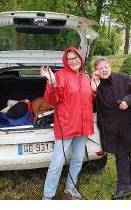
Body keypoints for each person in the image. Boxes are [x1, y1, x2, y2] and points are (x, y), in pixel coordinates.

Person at [40, 46, 94, 200]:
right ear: (65, 61)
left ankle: (71, 187)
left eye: (75, 57)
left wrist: (94, 91)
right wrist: (51, 82)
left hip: (83, 125)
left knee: (77, 159)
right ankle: (48, 196)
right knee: (58, 162)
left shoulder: (85, 77)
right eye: (69, 59)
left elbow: (87, 100)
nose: (73, 61)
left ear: (80, 59)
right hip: (67, 125)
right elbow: (52, 100)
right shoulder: (60, 76)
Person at [91, 56, 131, 200]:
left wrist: (127, 101)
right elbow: (91, 105)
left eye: (105, 67)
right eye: (100, 69)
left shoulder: (123, 78)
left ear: (110, 67)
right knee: (120, 155)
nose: (104, 70)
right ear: (96, 71)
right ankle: (124, 187)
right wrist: (93, 86)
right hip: (110, 128)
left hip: (129, 125)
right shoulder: (96, 85)